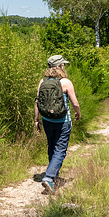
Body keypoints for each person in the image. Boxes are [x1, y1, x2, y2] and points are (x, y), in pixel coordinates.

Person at [34, 55, 81, 194]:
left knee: (52, 147)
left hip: (47, 120)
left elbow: (37, 102)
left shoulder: (42, 81)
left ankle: (53, 176)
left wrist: (36, 119)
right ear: (60, 66)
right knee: (60, 149)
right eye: (63, 65)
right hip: (62, 122)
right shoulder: (66, 82)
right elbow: (75, 103)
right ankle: (49, 177)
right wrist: (78, 113)